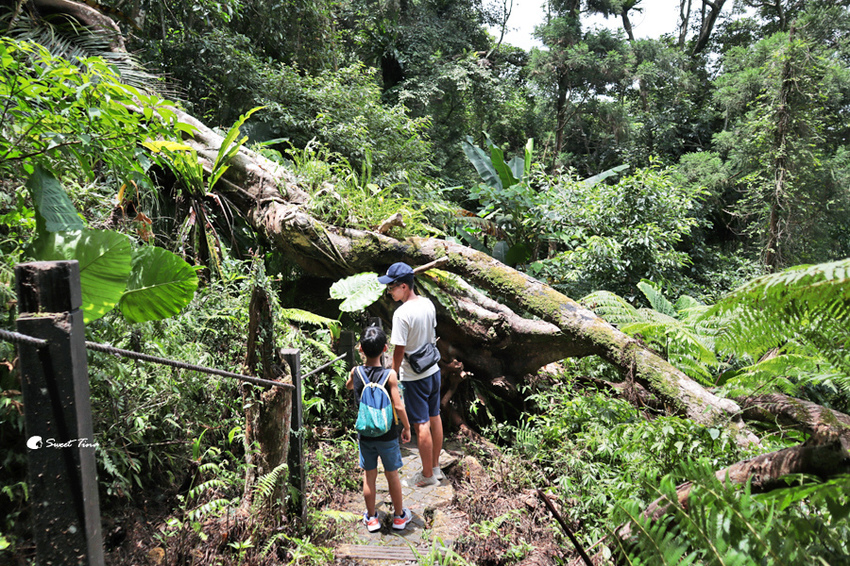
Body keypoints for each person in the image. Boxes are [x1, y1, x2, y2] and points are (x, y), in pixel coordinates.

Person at [378, 262, 444, 488]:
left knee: (421, 424)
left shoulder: (401, 314)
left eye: (392, 288)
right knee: (435, 417)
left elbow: (399, 349)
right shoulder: (428, 303)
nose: (389, 292)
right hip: (433, 370)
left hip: (415, 376)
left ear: (404, 286)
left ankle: (427, 476)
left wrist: (393, 374)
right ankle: (435, 468)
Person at [345, 325, 413, 532]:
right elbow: (399, 405)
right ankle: (399, 517)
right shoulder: (390, 375)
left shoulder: (356, 372)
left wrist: (354, 376)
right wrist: (407, 427)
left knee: (369, 476)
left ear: (360, 349)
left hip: (366, 434)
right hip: (388, 435)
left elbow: (348, 386)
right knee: (392, 475)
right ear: (385, 349)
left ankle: (372, 518)